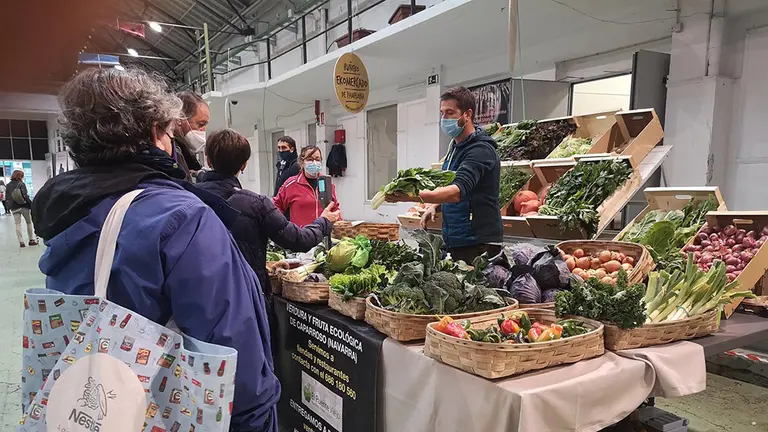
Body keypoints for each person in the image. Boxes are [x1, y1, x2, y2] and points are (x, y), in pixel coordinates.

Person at [31, 68, 279, 431]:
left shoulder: (67, 210)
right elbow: (231, 354)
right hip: (166, 411)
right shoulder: (181, 218)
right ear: (155, 133)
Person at [196, 129, 339, 295]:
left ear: (208, 160)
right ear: (244, 165)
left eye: (317, 159)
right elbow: (299, 240)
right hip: (243, 294)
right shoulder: (256, 204)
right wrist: (324, 221)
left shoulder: (188, 196)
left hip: (201, 292)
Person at [393, 86, 502, 263]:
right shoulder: (454, 147)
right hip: (458, 238)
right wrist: (434, 206)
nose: (444, 118)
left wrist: (409, 196)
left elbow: (457, 191)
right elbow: (450, 186)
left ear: (467, 114)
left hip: (478, 242)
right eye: (442, 113)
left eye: (450, 112)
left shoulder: (480, 150)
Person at [273, 145, 341, 228]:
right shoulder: (291, 184)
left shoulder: (327, 184)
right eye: (310, 159)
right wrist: (283, 225)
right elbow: (276, 205)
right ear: (302, 162)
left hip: (324, 235)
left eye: (317, 159)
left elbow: (334, 208)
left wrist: (341, 227)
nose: (314, 162)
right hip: (301, 236)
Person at [174, 91, 209, 181]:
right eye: (201, 124)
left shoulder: (182, 153)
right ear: (180, 118)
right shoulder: (173, 153)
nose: (203, 130)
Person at [6, 170, 37, 247]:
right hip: (23, 206)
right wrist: (30, 204)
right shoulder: (21, 184)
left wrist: (9, 206)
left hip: (14, 207)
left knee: (17, 224)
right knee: (29, 222)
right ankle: (31, 240)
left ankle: (21, 242)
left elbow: (8, 197)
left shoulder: (8, 185)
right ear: (20, 176)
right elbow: (25, 196)